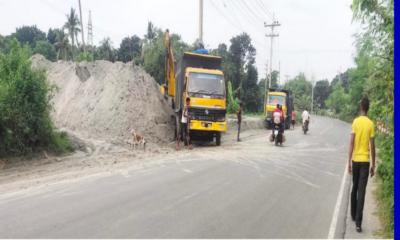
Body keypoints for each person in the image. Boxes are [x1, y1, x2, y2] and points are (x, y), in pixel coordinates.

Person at [348, 97, 375, 233]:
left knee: (355, 187)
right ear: (368, 108)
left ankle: (353, 214)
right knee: (362, 191)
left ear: (361, 107)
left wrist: (349, 162)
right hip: (365, 161)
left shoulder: (355, 122)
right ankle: (358, 223)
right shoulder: (370, 124)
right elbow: (372, 145)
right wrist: (373, 164)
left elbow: (351, 143)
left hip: (356, 160)